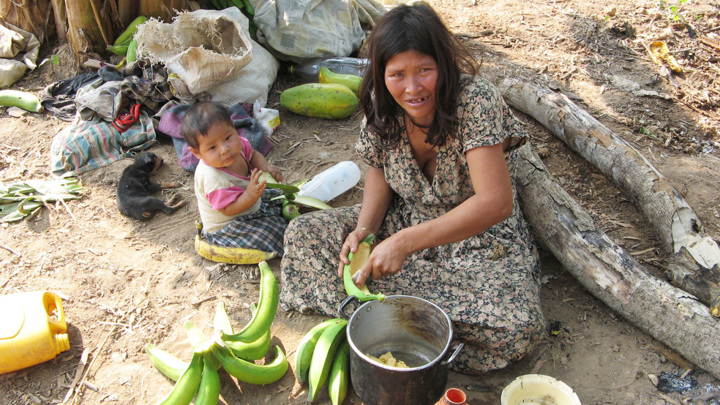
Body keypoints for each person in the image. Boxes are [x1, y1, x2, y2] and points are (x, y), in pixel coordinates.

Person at [280, 2, 546, 374]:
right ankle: (416, 321)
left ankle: (380, 316)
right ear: (381, 74)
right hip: (403, 220)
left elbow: (495, 203)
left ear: (445, 64)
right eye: (397, 74)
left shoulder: (475, 101)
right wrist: (366, 232)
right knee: (303, 236)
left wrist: (404, 243)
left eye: (425, 70)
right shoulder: (382, 103)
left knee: (518, 326)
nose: (412, 88)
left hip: (478, 239)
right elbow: (377, 171)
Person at [181, 101, 287, 255]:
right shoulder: (213, 178)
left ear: (233, 127)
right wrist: (250, 195)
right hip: (230, 225)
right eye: (212, 147)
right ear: (196, 153)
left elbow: (253, 155)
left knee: (281, 197)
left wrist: (265, 168)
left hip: (250, 200)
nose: (225, 149)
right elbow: (228, 209)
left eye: (227, 138)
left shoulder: (238, 146)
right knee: (274, 234)